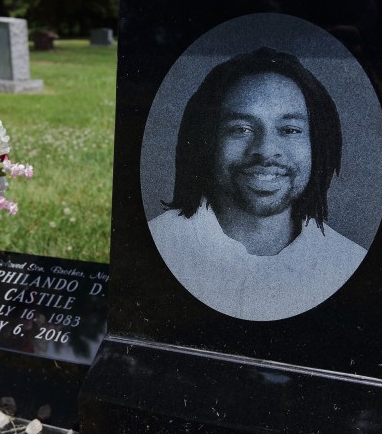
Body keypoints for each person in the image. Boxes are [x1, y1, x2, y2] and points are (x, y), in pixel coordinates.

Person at [148, 47, 367, 321]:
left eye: (289, 130)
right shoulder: (156, 246)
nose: (265, 150)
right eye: (241, 129)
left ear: (317, 145)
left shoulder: (348, 264)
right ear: (207, 140)